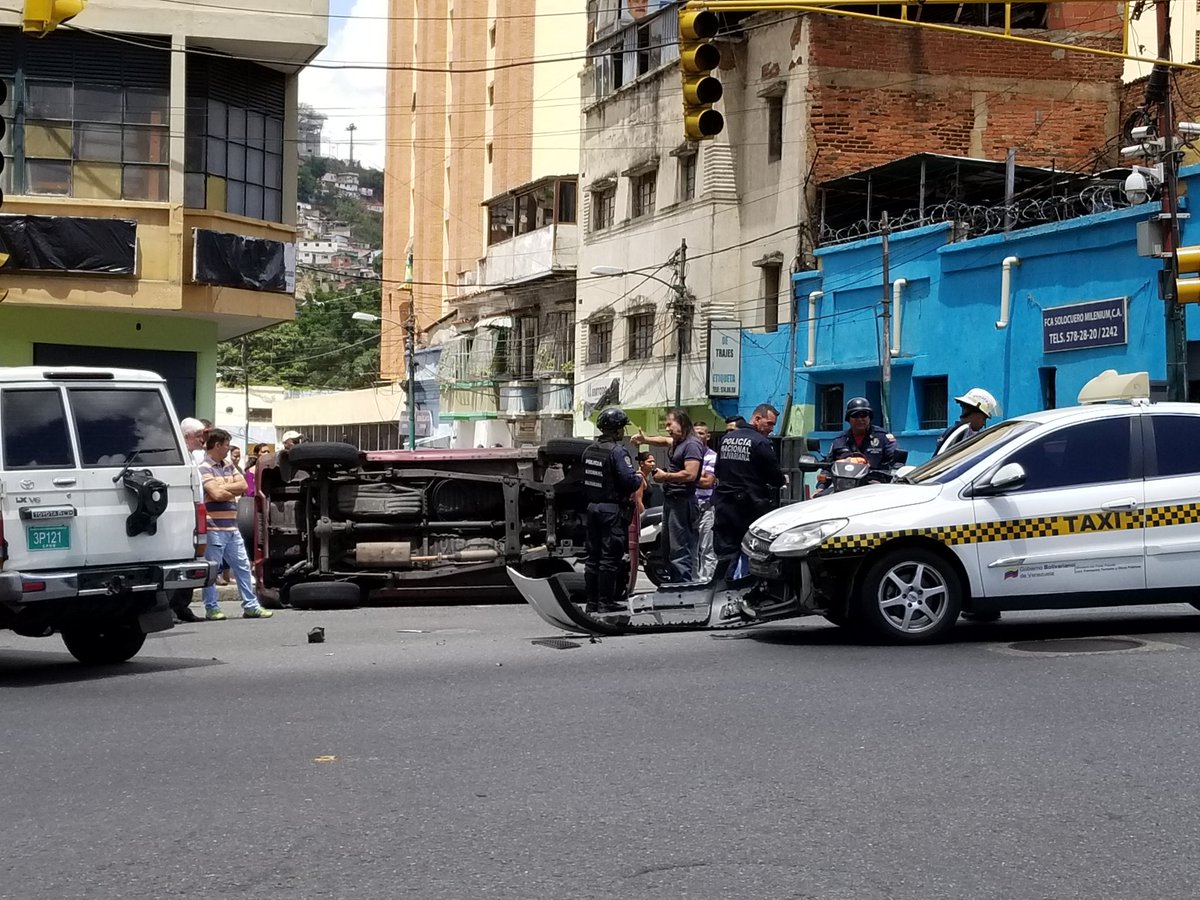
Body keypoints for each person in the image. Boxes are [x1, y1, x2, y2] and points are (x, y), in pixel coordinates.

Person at [199, 428, 274, 620]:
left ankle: (251, 605)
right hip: (214, 527)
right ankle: (211, 607)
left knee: (242, 566)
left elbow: (244, 486)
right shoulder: (203, 468)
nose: (227, 449)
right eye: (225, 445)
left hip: (232, 527)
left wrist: (221, 487)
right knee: (213, 569)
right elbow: (215, 494)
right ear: (217, 445)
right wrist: (227, 489)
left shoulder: (229, 465)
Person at [581, 407, 642, 618]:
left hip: (593, 509)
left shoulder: (589, 450)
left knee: (593, 557)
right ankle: (605, 603)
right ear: (617, 431)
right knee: (610, 557)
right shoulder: (617, 452)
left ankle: (591, 603)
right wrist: (641, 475)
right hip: (612, 510)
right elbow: (630, 482)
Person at [634, 409, 705, 582]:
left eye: (669, 424)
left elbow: (691, 474)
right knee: (668, 549)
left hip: (682, 501)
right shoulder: (678, 442)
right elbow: (664, 441)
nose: (667, 428)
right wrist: (646, 440)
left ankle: (682, 588)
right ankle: (674, 584)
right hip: (671, 500)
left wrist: (666, 477)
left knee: (680, 550)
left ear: (681, 423)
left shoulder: (691, 445)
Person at [713, 403, 785, 560]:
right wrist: (782, 479)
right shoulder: (761, 442)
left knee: (726, 552)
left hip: (725, 504)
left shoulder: (726, 438)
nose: (771, 428)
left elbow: (718, 471)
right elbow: (775, 477)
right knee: (755, 550)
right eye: (769, 423)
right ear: (757, 419)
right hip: (750, 506)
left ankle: (723, 582)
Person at [829, 397, 897, 471]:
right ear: (848, 419)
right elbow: (828, 465)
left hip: (875, 480)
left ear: (870, 417)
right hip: (845, 480)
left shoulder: (883, 438)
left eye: (864, 415)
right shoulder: (840, 441)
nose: (860, 419)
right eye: (855, 415)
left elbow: (896, 461)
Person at [935, 388, 999, 456]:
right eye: (984, 419)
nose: (983, 424)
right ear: (975, 414)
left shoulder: (957, 431)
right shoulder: (962, 433)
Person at [692, 422, 719, 583]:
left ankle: (706, 582)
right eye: (695, 433)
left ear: (707, 436)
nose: (698, 436)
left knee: (708, 549)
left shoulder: (713, 456)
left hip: (707, 507)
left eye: (701, 433)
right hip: (689, 507)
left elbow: (708, 482)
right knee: (691, 550)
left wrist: (687, 477)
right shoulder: (688, 454)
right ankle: (693, 582)